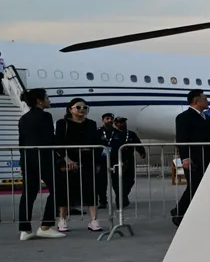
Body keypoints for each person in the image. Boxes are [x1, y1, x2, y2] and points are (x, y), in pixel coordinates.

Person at [16, 88, 65, 241]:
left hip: (27, 159)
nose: (49, 100)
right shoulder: (45, 116)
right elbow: (50, 139)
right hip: (44, 159)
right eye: (47, 98)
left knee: (28, 195)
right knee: (58, 189)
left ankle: (25, 229)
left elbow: (21, 142)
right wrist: (63, 156)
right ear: (39, 101)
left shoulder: (23, 119)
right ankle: (46, 226)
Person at [53, 98, 103, 232]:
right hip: (67, 161)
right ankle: (62, 219)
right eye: (78, 107)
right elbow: (58, 143)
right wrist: (67, 159)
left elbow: (97, 143)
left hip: (88, 160)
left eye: (85, 107)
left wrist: (96, 161)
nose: (82, 110)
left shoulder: (91, 124)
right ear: (70, 109)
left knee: (91, 189)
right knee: (65, 190)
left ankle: (93, 220)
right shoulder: (62, 123)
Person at [172, 88, 210, 226]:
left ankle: (180, 211)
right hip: (193, 159)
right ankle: (178, 213)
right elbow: (182, 139)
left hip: (207, 157)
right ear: (197, 101)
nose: (207, 101)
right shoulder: (184, 117)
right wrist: (185, 157)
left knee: (202, 186)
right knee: (194, 186)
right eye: (205, 98)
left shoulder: (206, 117)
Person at [106, 116, 145, 207]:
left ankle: (123, 196)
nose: (122, 124)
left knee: (130, 181)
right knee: (117, 182)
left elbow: (138, 144)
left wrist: (142, 152)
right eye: (120, 122)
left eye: (123, 122)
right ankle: (120, 200)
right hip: (116, 160)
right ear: (116, 124)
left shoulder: (131, 134)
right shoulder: (112, 134)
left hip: (129, 160)